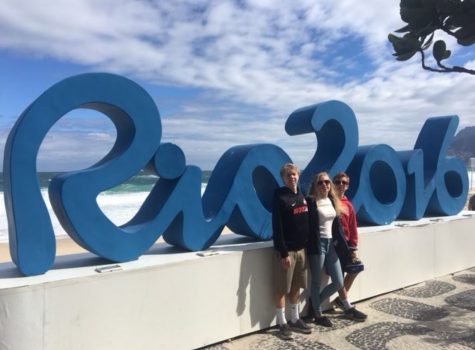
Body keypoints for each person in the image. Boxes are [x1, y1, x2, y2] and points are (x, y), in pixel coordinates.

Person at [306, 172, 365, 327]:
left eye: (327, 181)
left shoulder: (332, 200)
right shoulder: (311, 201)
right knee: (317, 280)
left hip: (331, 244)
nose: (324, 184)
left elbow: (341, 226)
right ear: (315, 185)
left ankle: (315, 301)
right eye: (320, 182)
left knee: (339, 281)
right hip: (318, 244)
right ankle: (318, 314)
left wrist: (350, 248)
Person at [272, 163, 312, 340]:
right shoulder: (280, 197)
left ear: (298, 175)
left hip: (302, 250)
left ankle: (295, 318)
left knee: (296, 287)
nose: (292, 177)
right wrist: (283, 252)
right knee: (282, 288)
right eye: (288, 175)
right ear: (283, 178)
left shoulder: (302, 195)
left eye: (294, 174)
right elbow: (277, 227)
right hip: (287, 252)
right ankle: (282, 323)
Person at [331, 172, 367, 321]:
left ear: (347, 185)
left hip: (346, 247)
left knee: (354, 269)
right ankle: (346, 305)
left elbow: (353, 228)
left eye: (344, 183)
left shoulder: (348, 205)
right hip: (333, 247)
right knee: (338, 276)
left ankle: (341, 299)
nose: (340, 185)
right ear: (333, 183)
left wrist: (353, 248)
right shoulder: (329, 202)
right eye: (338, 182)